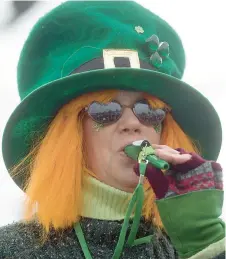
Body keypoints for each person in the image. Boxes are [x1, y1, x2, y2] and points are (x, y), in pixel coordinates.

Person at [0, 1, 225, 258]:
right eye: (106, 110)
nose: (133, 123)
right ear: (68, 135)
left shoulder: (198, 243)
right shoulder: (13, 250)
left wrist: (205, 244)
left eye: (148, 110)